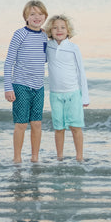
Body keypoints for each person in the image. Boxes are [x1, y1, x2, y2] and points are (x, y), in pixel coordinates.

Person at [4, 0, 48, 163]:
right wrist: (8, 87)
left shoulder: (44, 36)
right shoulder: (19, 34)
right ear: (26, 17)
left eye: (40, 14)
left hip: (39, 87)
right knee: (21, 124)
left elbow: (44, 58)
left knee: (36, 124)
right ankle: (17, 158)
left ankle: (35, 158)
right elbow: (9, 62)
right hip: (21, 86)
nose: (37, 17)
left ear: (45, 16)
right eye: (32, 14)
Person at [45, 15, 89, 161]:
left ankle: (80, 157)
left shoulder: (73, 48)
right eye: (55, 27)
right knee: (59, 128)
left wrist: (85, 96)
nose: (59, 30)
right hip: (55, 94)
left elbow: (81, 72)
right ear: (50, 30)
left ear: (68, 30)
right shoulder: (48, 46)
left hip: (73, 94)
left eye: (63, 27)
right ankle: (59, 157)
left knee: (75, 127)